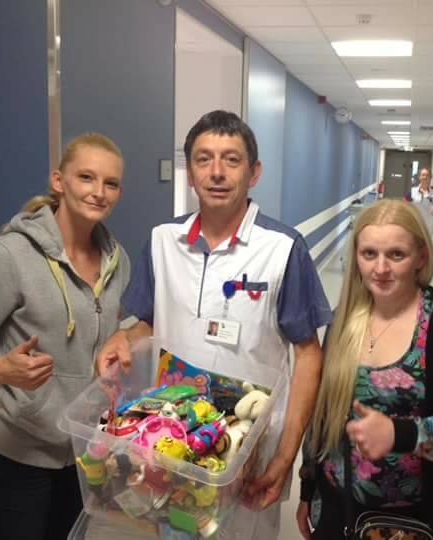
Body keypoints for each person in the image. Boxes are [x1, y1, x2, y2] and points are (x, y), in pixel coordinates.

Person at [96, 110, 332, 539]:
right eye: (203, 159)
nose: (217, 172)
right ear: (190, 173)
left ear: (254, 172)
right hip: (175, 440)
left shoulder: (282, 248)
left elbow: (308, 355)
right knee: (176, 527)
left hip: (248, 447)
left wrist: (286, 456)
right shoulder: (163, 241)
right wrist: (123, 337)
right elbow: (147, 322)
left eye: (231, 159)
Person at [0, 133, 131, 540]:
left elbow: (108, 332)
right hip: (19, 462)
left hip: (84, 457)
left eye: (110, 183)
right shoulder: (11, 255)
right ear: (59, 181)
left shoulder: (118, 260)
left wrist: (125, 340)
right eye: (86, 177)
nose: (99, 192)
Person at [297, 199, 433, 540]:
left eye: (396, 255)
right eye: (369, 254)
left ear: (421, 257)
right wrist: (308, 487)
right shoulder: (345, 319)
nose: (381, 268)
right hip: (338, 508)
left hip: (415, 520)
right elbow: (322, 413)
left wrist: (401, 434)